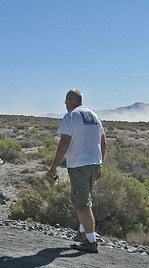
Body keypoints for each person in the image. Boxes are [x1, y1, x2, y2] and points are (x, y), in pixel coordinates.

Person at [45, 89, 106, 253]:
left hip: (79, 164)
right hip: (94, 164)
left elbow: (64, 142)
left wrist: (53, 167)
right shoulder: (94, 116)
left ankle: (91, 241)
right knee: (85, 198)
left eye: (66, 101)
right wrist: (100, 164)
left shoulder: (71, 116)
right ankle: (81, 233)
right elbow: (103, 142)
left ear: (70, 100)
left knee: (82, 204)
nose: (65, 105)